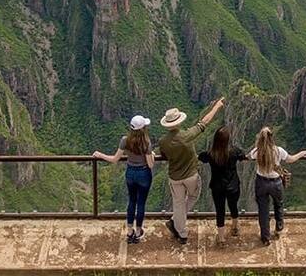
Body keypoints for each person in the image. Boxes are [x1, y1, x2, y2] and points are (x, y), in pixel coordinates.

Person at [158, 98, 225, 244]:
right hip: (191, 176)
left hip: (174, 177)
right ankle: (176, 221)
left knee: (178, 203)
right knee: (193, 196)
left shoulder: (163, 141)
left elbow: (164, 155)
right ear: (179, 121)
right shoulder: (187, 135)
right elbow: (204, 122)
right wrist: (217, 107)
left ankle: (182, 233)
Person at [93, 114, 155, 243]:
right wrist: (152, 154)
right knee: (141, 203)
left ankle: (129, 231)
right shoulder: (146, 143)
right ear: (143, 129)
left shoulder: (125, 140)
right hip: (144, 174)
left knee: (131, 201)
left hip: (130, 173)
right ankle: (138, 232)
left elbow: (115, 159)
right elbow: (150, 164)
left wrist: (100, 155)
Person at [248, 126, 306, 246]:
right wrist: (303, 153)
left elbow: (248, 156)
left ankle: (265, 237)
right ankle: (279, 226)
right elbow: (290, 159)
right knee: (278, 204)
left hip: (261, 182)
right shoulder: (278, 151)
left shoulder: (257, 151)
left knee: (263, 209)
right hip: (275, 183)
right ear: (272, 138)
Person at [198, 125, 246, 244]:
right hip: (233, 186)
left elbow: (201, 157)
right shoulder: (234, 152)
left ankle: (221, 238)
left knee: (220, 211)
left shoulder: (211, 154)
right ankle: (235, 227)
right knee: (233, 206)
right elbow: (243, 156)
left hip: (217, 187)